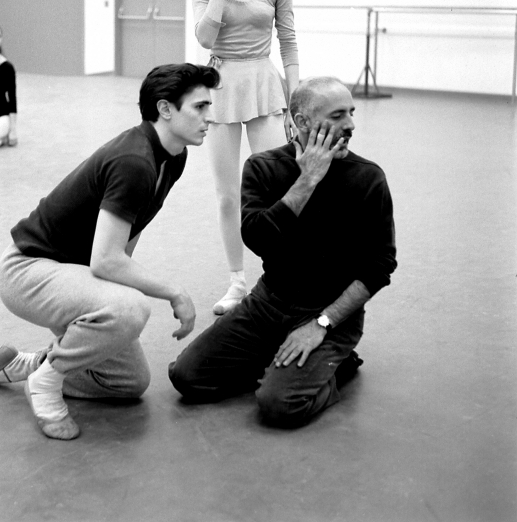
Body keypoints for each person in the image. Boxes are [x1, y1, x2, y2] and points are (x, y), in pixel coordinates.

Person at [0, 63, 219, 440]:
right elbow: (106, 261)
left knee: (127, 381)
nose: (210, 117)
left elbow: (120, 251)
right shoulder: (135, 162)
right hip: (28, 270)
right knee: (131, 308)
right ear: (165, 109)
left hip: (68, 273)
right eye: (200, 107)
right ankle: (45, 384)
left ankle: (27, 365)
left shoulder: (172, 158)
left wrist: (112, 288)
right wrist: (173, 292)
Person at [169, 77, 397, 428]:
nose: (350, 125)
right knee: (187, 377)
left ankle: (337, 364)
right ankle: (284, 360)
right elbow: (259, 239)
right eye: (337, 116)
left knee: (278, 406)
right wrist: (308, 180)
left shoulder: (368, 179)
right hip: (268, 302)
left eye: (351, 113)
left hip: (327, 312)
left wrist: (323, 324)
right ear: (302, 122)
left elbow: (380, 266)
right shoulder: (263, 168)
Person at [194, 0, 300, 315]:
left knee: (276, 186)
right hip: (220, 84)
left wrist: (297, 100)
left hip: (263, 84)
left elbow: (289, 43)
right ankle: (237, 281)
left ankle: (280, 274)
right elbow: (204, 38)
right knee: (227, 196)